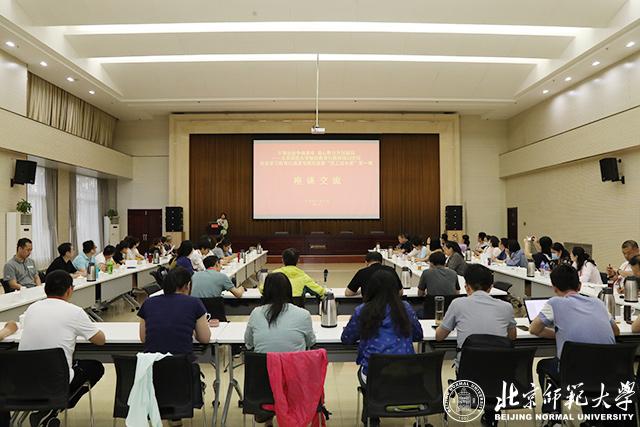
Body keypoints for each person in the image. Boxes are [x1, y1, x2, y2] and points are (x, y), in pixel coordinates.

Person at [19, 270, 105, 426]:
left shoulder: (32, 308)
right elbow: (100, 340)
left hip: (24, 379)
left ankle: (47, 410)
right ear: (69, 290)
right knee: (95, 367)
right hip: (55, 379)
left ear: (45, 289)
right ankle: (53, 408)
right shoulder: (75, 312)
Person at [529, 264, 618, 415]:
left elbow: (534, 329)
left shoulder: (555, 303)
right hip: (607, 373)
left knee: (544, 366)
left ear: (554, 288)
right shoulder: (598, 303)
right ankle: (593, 418)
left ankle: (553, 416)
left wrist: (559, 333)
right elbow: (615, 331)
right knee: (590, 368)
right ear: (579, 286)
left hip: (573, 374)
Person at [341, 270, 423, 426]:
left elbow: (347, 339)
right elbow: (418, 335)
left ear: (370, 289)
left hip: (375, 374)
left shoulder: (363, 310)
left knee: (367, 372)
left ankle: (372, 414)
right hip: (406, 374)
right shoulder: (405, 308)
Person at [436, 264, 516, 369]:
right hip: (498, 369)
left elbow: (439, 337)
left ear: (467, 287)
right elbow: (512, 337)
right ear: (490, 288)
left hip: (467, 370)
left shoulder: (457, 304)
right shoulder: (507, 307)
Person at [138, 266, 210, 356]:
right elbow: (204, 339)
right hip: (182, 362)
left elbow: (144, 338)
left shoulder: (148, 302)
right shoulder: (194, 303)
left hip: (152, 363)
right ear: (187, 285)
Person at [245, 272, 315, 353]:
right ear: (289, 290)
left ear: (266, 291)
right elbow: (310, 342)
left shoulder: (256, 313)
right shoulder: (304, 314)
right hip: (294, 361)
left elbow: (249, 343)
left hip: (265, 361)